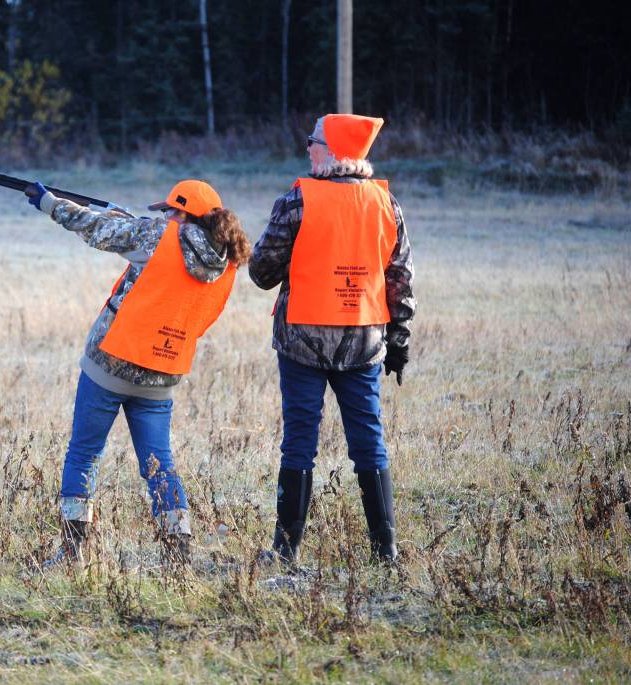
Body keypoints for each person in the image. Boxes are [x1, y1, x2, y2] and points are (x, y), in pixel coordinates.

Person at [24, 178, 251, 566]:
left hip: (109, 366)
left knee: (84, 453)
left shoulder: (160, 237)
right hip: (162, 374)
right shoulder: (227, 262)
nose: (164, 218)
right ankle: (178, 551)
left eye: (169, 212)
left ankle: (73, 550)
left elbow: (96, 228)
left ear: (182, 214)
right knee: (159, 465)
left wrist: (49, 203)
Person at [248, 114, 415, 565]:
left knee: (300, 440)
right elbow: (400, 279)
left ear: (334, 150)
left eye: (313, 141)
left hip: (302, 341)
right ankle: (386, 551)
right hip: (364, 345)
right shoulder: (387, 205)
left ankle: (285, 551)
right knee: (369, 441)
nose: (308, 148)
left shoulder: (297, 201)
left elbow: (262, 272)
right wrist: (398, 341)